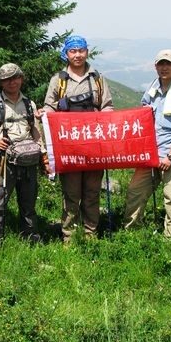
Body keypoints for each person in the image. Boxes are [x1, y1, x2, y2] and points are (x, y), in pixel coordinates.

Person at [42, 34, 114, 242]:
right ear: (66, 54)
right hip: (69, 147)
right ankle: (70, 236)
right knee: (71, 193)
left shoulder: (97, 78)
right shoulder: (58, 80)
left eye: (81, 51)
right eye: (73, 51)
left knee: (92, 192)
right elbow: (49, 107)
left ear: (87, 52)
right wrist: (45, 114)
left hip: (94, 146)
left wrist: (104, 118)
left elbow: (107, 106)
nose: (77, 55)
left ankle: (90, 233)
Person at [122, 49, 171, 241]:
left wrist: (170, 156)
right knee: (135, 191)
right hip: (150, 153)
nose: (164, 67)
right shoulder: (153, 88)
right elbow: (143, 114)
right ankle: (130, 233)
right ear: (155, 66)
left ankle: (169, 242)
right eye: (161, 63)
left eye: (168, 64)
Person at [0, 63, 50, 248]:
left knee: (28, 204)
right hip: (3, 162)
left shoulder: (29, 104)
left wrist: (43, 157)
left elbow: (36, 133)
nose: (12, 82)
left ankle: (32, 240)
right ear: (1, 82)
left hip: (29, 161)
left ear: (21, 79)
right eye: (7, 79)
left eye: (15, 78)